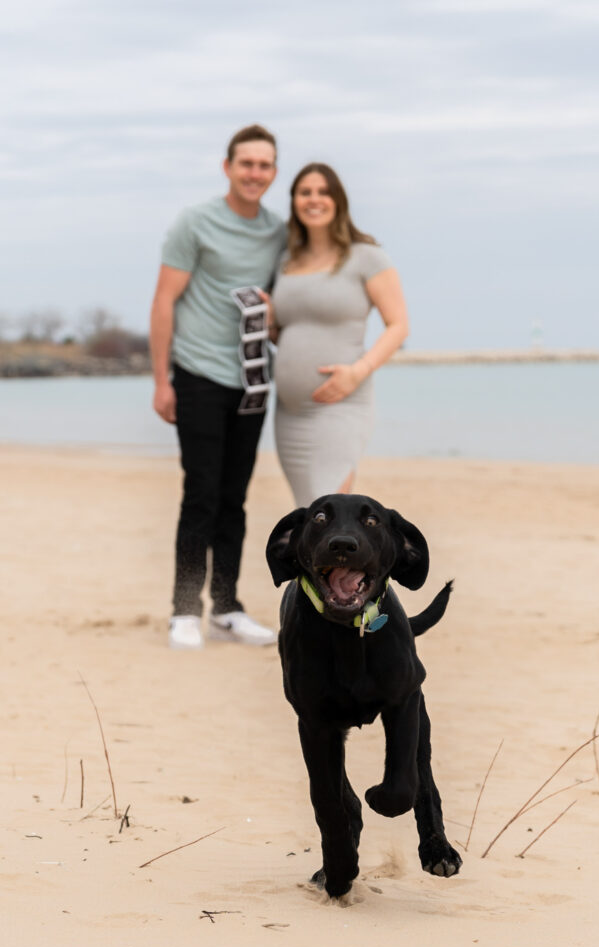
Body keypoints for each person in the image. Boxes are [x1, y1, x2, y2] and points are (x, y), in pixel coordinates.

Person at [150, 125, 286, 651]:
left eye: (264, 164)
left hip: (252, 381)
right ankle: (185, 609)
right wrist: (161, 380)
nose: (255, 172)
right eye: (246, 163)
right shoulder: (196, 222)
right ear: (228, 167)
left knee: (235, 499)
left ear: (274, 172)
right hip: (199, 373)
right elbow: (164, 300)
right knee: (201, 494)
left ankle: (227, 608)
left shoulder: (277, 232)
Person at [271, 163, 409, 506]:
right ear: (294, 201)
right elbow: (290, 331)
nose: (314, 199)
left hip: (340, 405)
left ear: (338, 200)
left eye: (323, 192)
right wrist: (269, 320)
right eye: (305, 192)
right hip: (289, 413)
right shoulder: (286, 260)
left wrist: (358, 372)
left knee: (329, 509)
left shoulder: (367, 257)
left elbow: (398, 325)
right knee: (308, 514)